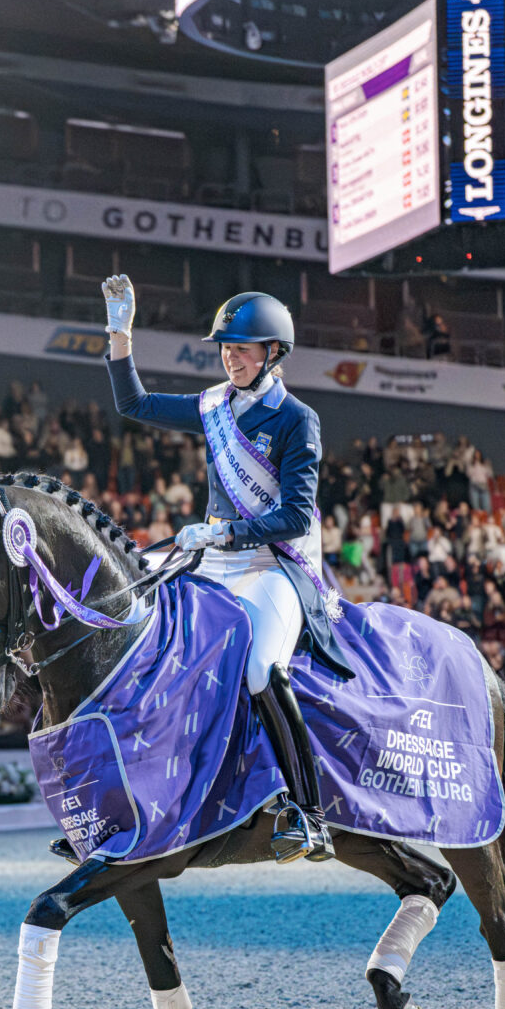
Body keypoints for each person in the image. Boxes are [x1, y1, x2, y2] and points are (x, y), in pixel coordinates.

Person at [101, 275, 355, 863]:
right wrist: (121, 336)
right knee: (144, 635)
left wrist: (223, 531)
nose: (230, 358)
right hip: (215, 558)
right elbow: (132, 404)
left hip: (272, 564)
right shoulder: (213, 405)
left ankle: (308, 812)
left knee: (263, 667)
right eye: (225, 348)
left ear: (273, 353)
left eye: (241, 349)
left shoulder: (297, 420)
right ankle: (132, 799)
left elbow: (294, 516)